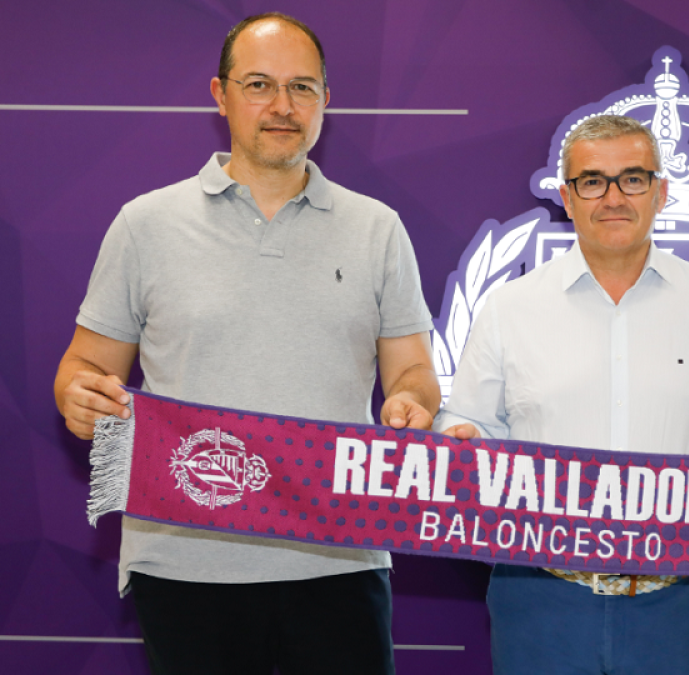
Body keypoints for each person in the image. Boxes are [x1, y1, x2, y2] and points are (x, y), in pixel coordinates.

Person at [53, 13, 439, 674]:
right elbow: (83, 369)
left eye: (303, 88)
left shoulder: (379, 229)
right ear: (220, 93)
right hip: (184, 562)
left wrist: (411, 403)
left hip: (337, 557)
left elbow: (415, 375)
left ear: (326, 101)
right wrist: (78, 395)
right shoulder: (145, 225)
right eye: (259, 84)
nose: (283, 106)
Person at [435, 114, 689, 675]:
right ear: (567, 199)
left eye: (633, 179)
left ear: (661, 192)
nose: (613, 197)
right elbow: (471, 422)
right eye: (592, 181)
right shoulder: (510, 307)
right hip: (540, 599)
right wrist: (460, 438)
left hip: (674, 601)